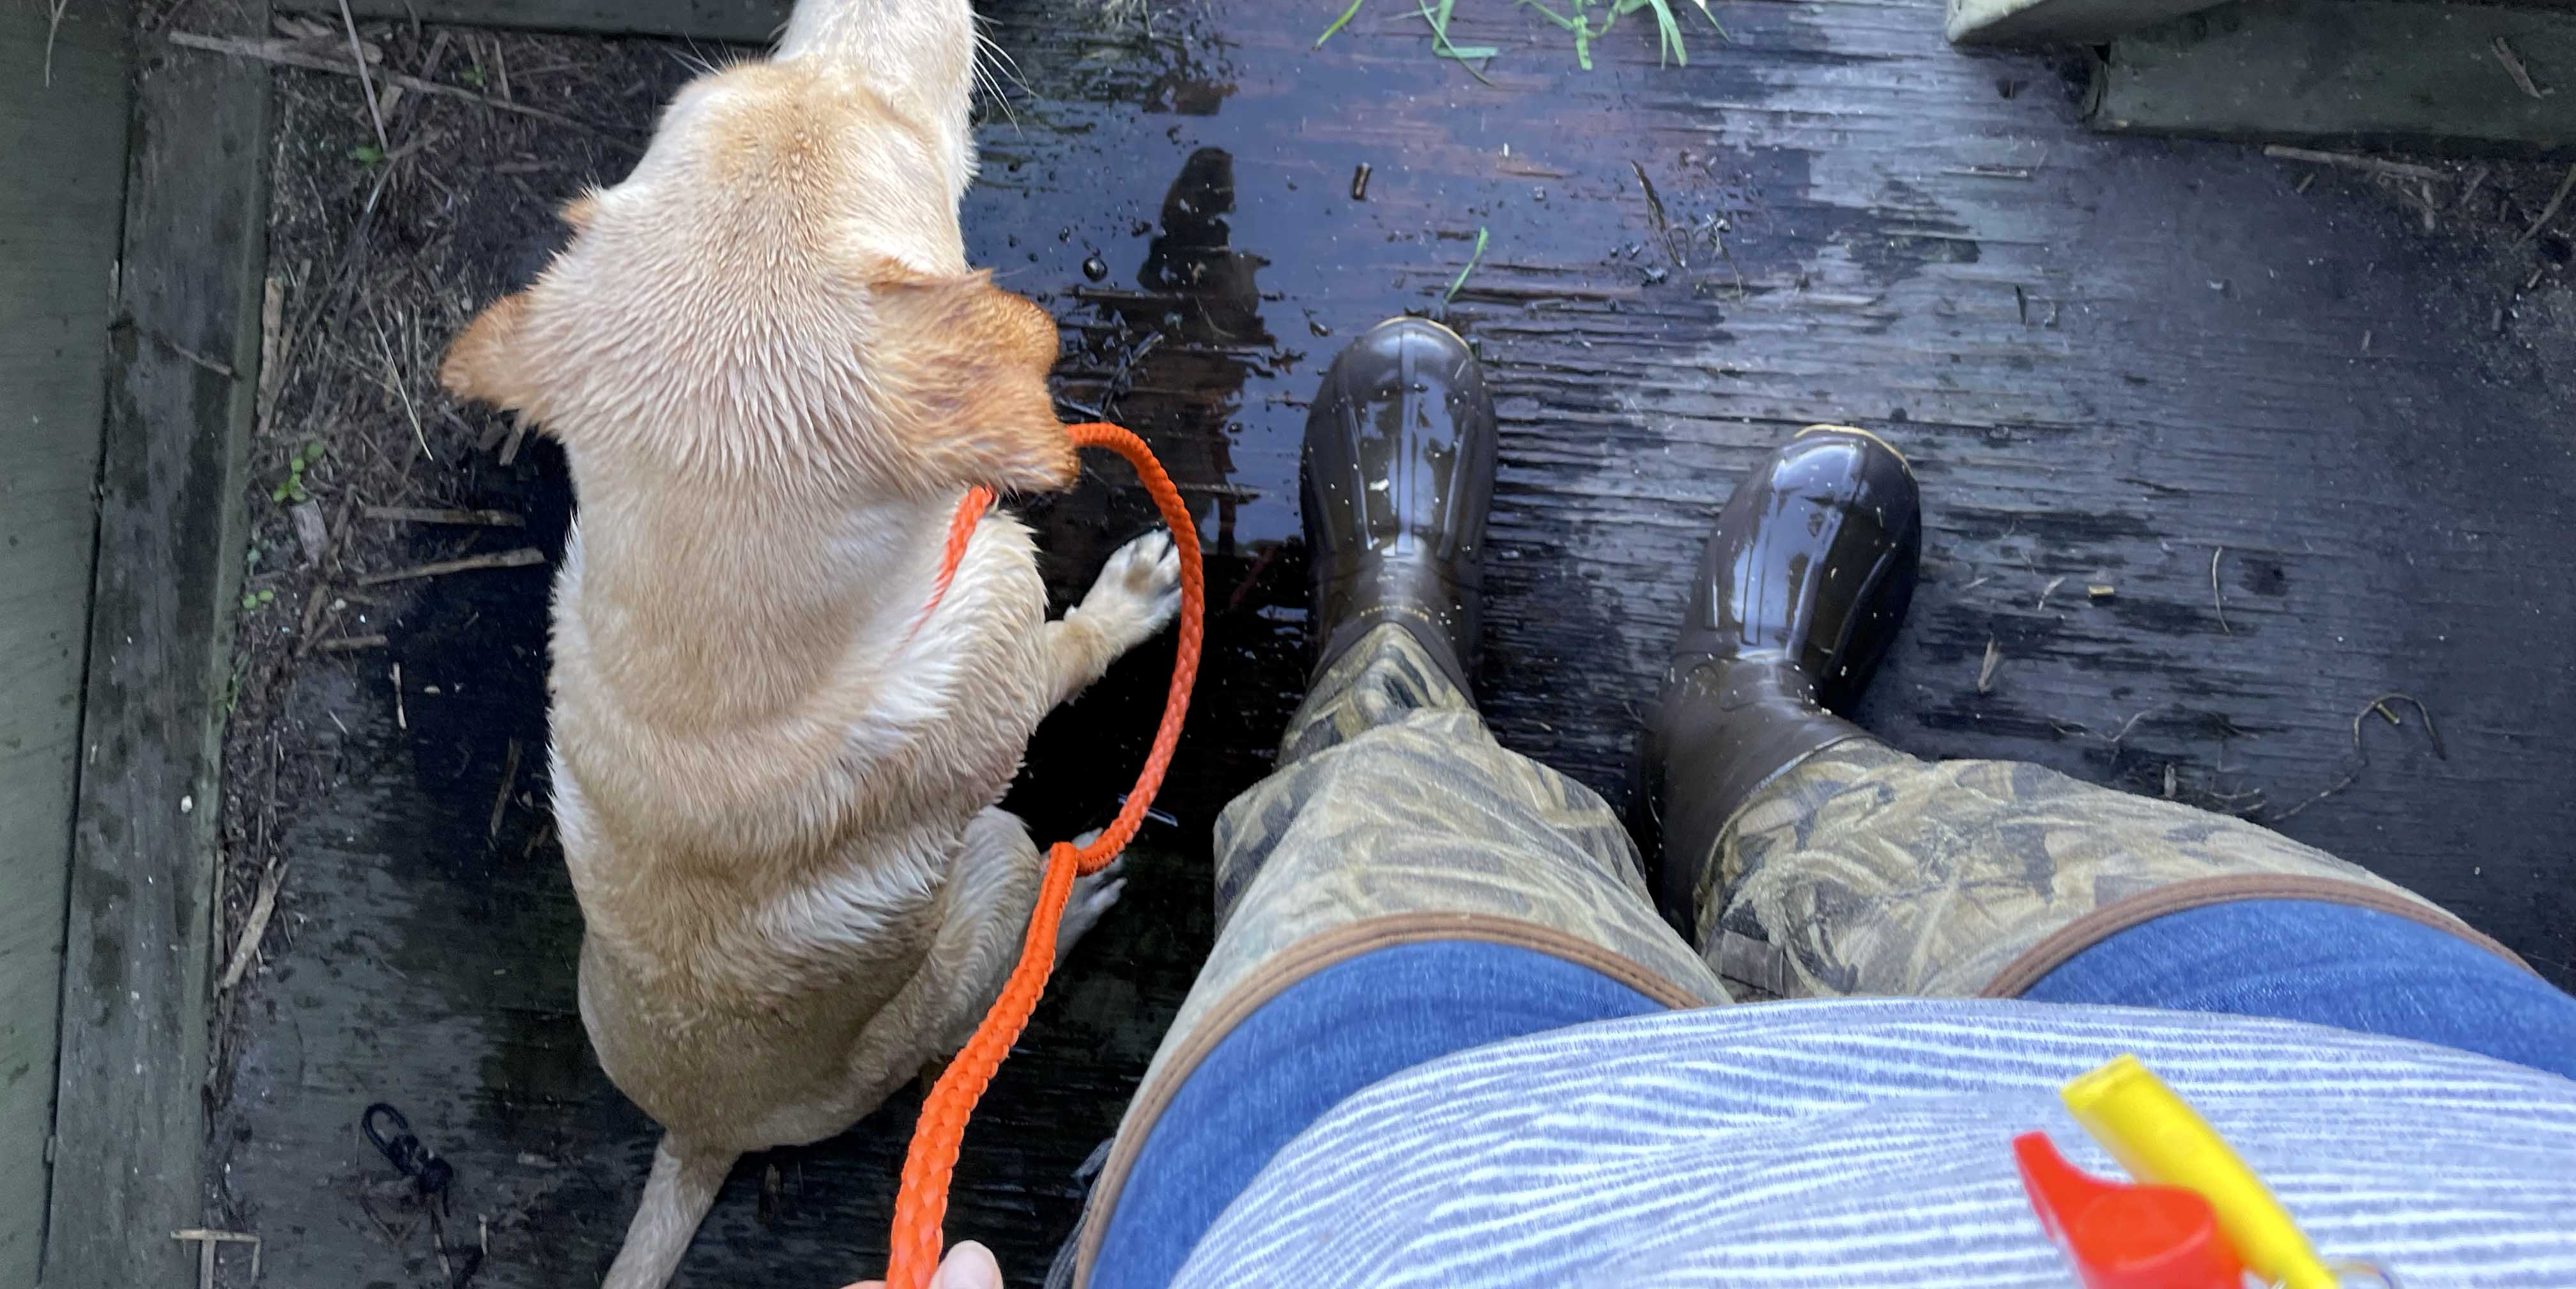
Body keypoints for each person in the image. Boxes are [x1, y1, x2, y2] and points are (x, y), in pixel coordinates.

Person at [935, 319, 2576, 1289]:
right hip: (2395, 1144)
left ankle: (1393, 666)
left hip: (1407, 1216)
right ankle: (1752, 753)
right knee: (1962, 874)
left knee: (1385, 844)